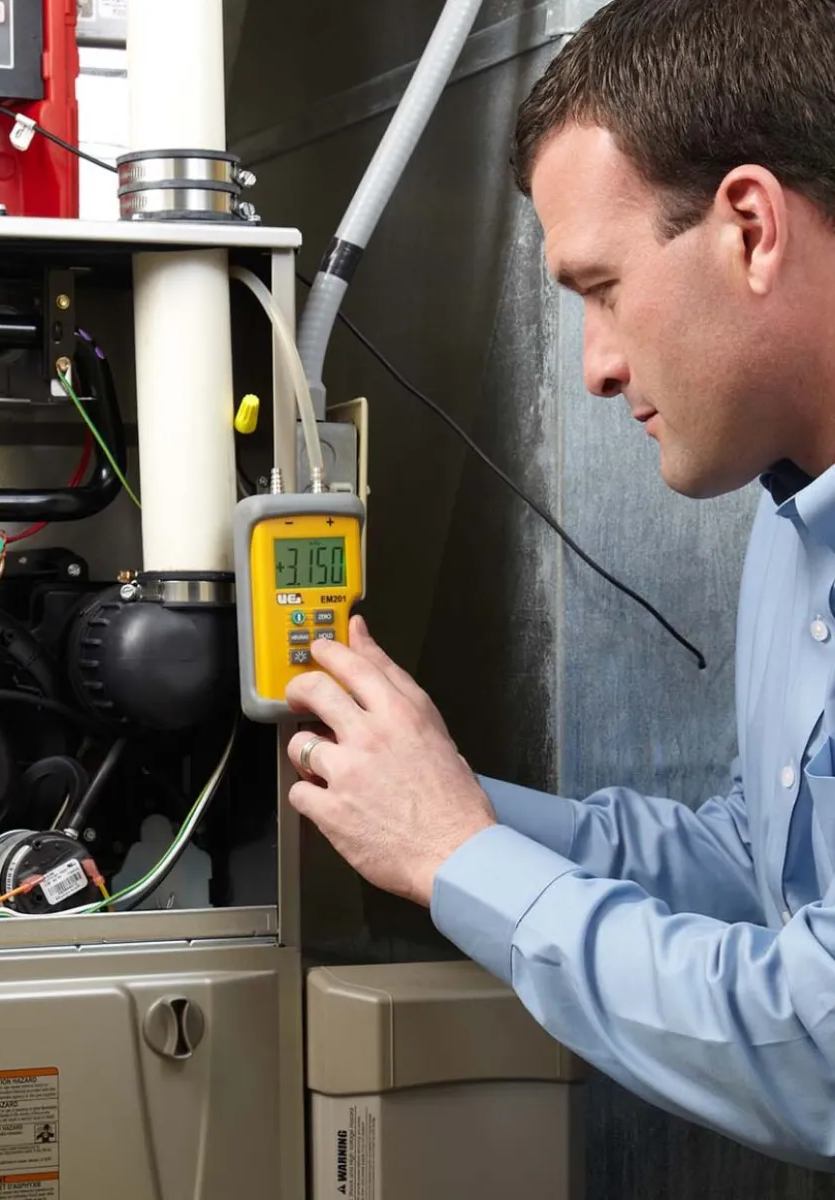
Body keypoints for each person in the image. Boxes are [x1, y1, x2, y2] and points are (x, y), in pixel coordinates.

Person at [285, 0, 835, 1170]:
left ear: (748, 227)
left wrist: (453, 855)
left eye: (602, 287)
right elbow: (756, 868)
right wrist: (416, 791)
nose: (594, 367)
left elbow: (820, 1048)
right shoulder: (795, 529)